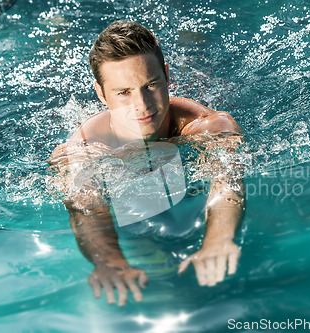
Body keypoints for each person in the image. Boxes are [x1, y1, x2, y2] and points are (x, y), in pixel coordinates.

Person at [48, 21, 245, 307]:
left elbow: (228, 183)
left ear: (166, 76)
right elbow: (86, 209)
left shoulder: (210, 127)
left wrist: (219, 239)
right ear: (102, 94)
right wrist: (111, 261)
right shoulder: (85, 148)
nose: (142, 104)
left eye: (150, 85)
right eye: (123, 92)